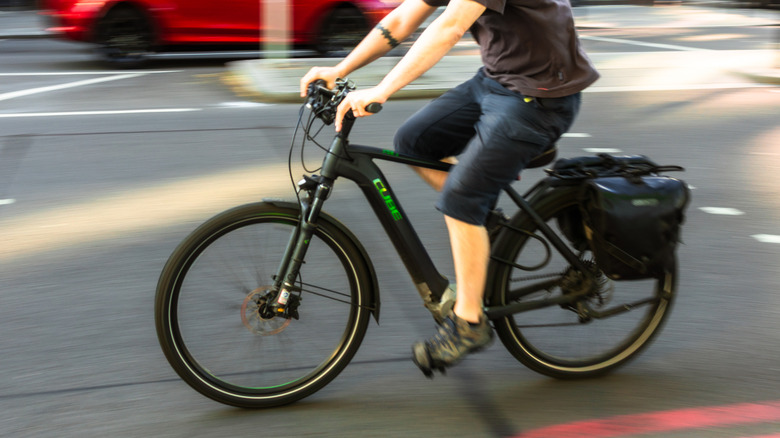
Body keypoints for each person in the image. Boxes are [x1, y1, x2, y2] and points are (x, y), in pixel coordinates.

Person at [300, 0, 599, 377]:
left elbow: (451, 26)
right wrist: (339, 69)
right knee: (414, 144)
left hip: (539, 99)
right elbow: (401, 19)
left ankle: (469, 324)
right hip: (495, 81)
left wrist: (383, 89)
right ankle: (487, 225)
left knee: (460, 199)